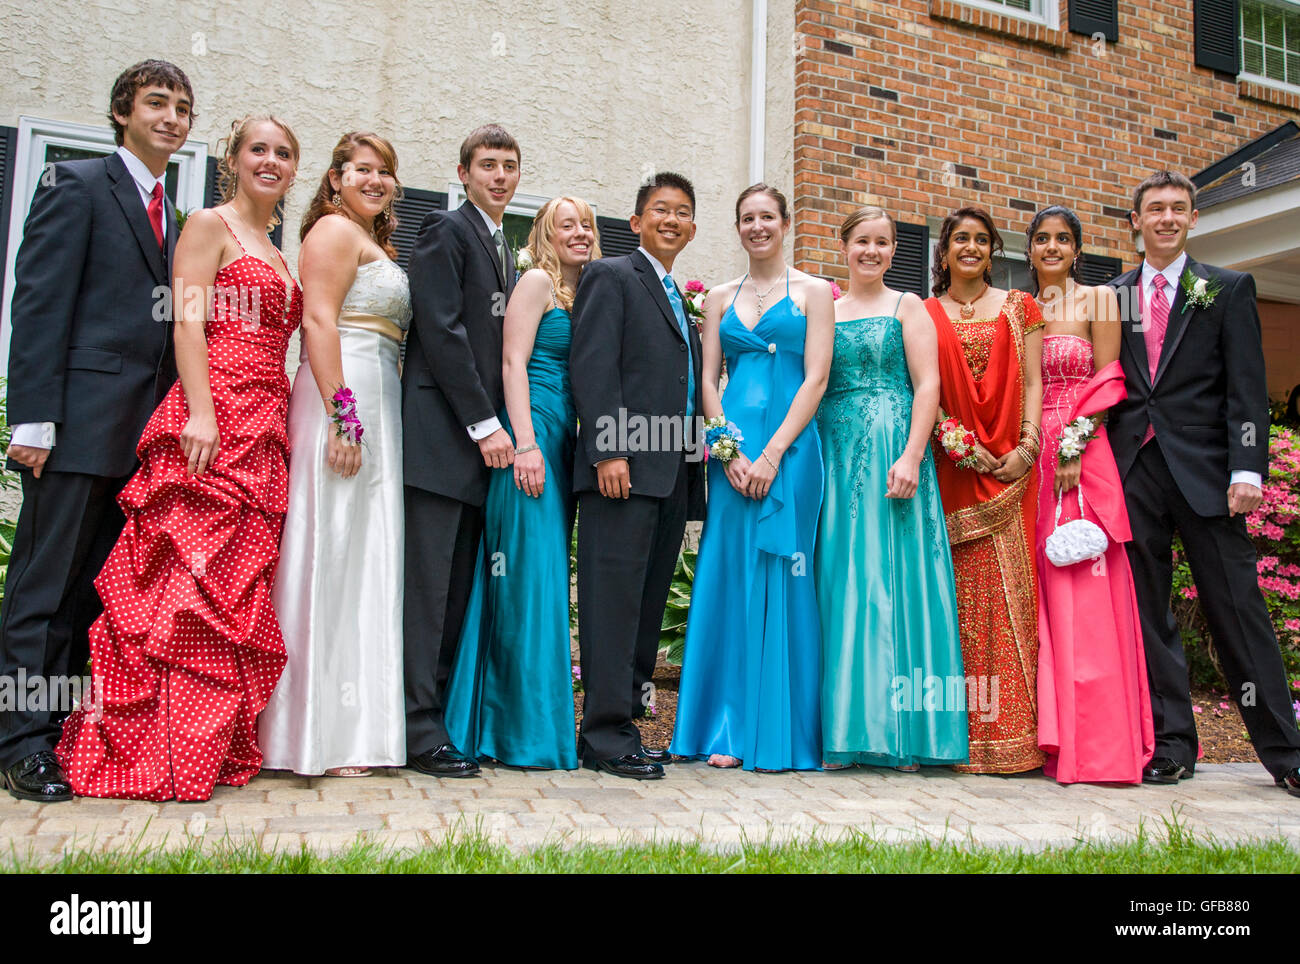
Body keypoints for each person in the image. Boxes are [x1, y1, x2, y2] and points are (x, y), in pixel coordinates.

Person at [55, 115, 302, 801]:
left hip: (266, 426)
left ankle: (200, 747)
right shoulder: (208, 225)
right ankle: (146, 748)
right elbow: (187, 317)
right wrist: (200, 411)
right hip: (213, 416)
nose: (271, 161)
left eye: (284, 153)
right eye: (259, 149)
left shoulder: (279, 248)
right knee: (181, 587)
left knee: (231, 592)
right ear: (233, 158)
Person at [0, 61, 194, 802]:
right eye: (156, 103)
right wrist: (34, 417)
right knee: (40, 592)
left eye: (182, 108)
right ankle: (18, 742)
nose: (171, 118)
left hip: (137, 442)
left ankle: (57, 732)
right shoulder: (74, 185)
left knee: (89, 598)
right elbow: (39, 305)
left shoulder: (174, 215)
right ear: (122, 111)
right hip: (71, 430)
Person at [1108, 171, 1300, 795]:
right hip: (1134, 470)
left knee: (1237, 610)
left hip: (1210, 477)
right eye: (1154, 209)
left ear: (1193, 219)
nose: (1166, 218)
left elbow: (1246, 386)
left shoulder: (1227, 288)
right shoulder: (1115, 296)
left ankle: (1285, 751)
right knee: (1150, 614)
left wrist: (1248, 469)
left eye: (1177, 209)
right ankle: (1172, 746)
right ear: (1134, 222)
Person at [258, 132, 410, 777]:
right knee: (332, 550)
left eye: (385, 172)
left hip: (380, 398)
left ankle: (356, 731)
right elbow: (318, 321)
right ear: (336, 177)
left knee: (365, 558)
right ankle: (309, 732)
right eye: (363, 170)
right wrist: (343, 417)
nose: (375, 180)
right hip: (343, 400)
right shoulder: (331, 232)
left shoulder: (374, 240)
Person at [669, 184, 832, 772]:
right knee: (730, 573)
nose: (757, 227)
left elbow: (816, 378)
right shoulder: (717, 296)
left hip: (792, 450)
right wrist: (730, 449)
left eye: (767, 217)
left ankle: (782, 730)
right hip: (731, 455)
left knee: (789, 573)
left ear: (785, 224)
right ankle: (725, 724)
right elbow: (709, 380)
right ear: (737, 227)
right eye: (747, 219)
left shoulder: (816, 292)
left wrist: (773, 454)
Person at [444, 197, 599, 770]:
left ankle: (521, 725)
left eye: (586, 224)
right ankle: (514, 734)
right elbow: (512, 363)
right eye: (567, 225)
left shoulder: (588, 291)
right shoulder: (535, 282)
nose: (579, 232)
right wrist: (526, 445)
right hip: (529, 436)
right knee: (524, 579)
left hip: (563, 446)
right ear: (545, 233)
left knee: (545, 578)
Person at [815, 206, 967, 771]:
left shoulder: (910, 306)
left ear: (894, 250)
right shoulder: (826, 309)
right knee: (841, 574)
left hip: (892, 451)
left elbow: (929, 385)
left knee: (891, 577)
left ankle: (903, 728)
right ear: (845, 246)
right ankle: (843, 722)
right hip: (833, 449)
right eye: (861, 242)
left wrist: (911, 455)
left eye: (882, 243)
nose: (871, 251)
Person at [570, 172, 705, 780]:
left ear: (693, 227)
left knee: (647, 607)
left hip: (671, 474)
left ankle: (624, 724)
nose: (671, 220)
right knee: (611, 605)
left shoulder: (681, 298)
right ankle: (601, 736)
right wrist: (609, 452)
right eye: (660, 210)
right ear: (636, 221)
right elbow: (593, 366)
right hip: (622, 471)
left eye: (681, 212)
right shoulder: (613, 276)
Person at [402, 125, 519, 779]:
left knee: (453, 595)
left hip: (476, 452)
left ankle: (439, 720)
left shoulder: (502, 245)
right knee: (426, 593)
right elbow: (442, 331)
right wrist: (482, 423)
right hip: (441, 439)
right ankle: (417, 731)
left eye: (508, 166)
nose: (499, 176)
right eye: (487, 166)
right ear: (463, 171)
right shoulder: (445, 230)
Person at [1026, 205, 1153, 784]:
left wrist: (1077, 440)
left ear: (1077, 249)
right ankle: (1041, 737)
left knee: (1081, 580)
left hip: (1081, 450)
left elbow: (1110, 380)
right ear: (1029, 250)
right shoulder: (1021, 306)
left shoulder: (1099, 300)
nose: (1052, 248)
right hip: (1030, 454)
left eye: (1063, 240)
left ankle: (1095, 742)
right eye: (1042, 240)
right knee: (1033, 584)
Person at [924, 207, 1046, 774]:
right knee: (955, 601)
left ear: (992, 251)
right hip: (952, 471)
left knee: (1006, 595)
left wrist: (1028, 445)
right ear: (944, 251)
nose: (970, 247)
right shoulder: (923, 314)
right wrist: (956, 441)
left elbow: (1033, 379)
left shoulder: (1021, 307)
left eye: (980, 240)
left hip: (1013, 471)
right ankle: (957, 738)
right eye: (959, 239)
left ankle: (1014, 738)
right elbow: (923, 389)